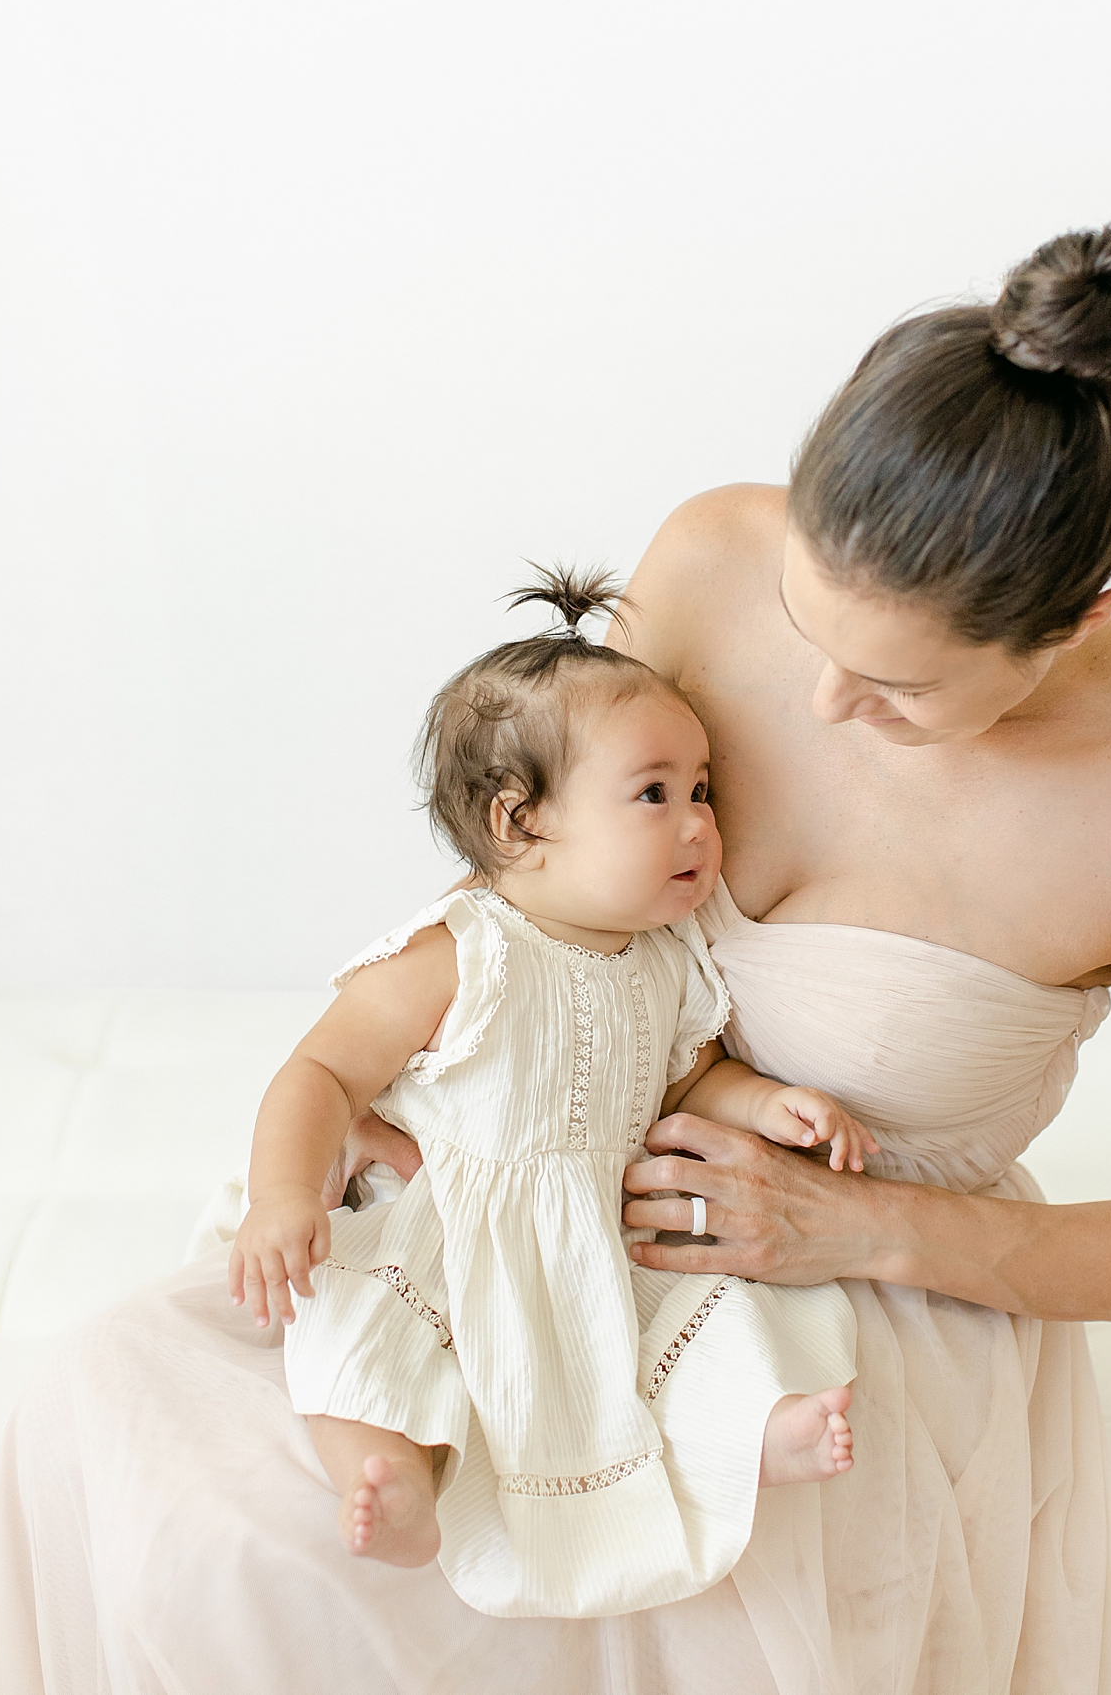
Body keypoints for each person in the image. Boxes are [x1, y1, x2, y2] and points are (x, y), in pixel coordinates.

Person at [0, 223, 1111, 1695]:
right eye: (809, 621)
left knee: (463, 1569)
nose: (819, 698)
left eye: (903, 688)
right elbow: (547, 841)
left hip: (853, 1301)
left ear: (1082, 620)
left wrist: (854, 1229)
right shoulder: (713, 550)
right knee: (122, 1417)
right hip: (538, 1189)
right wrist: (407, 1070)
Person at [234, 567, 866, 1615]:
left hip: (600, 1235)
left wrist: (764, 1103)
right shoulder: (459, 950)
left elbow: (690, 1076)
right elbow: (320, 1068)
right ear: (521, 824)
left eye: (700, 788)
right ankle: (381, 1471)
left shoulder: (667, 958)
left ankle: (755, 1430)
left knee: (723, 1314)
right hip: (454, 1230)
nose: (698, 822)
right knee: (361, 1321)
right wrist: (281, 1194)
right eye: (653, 792)